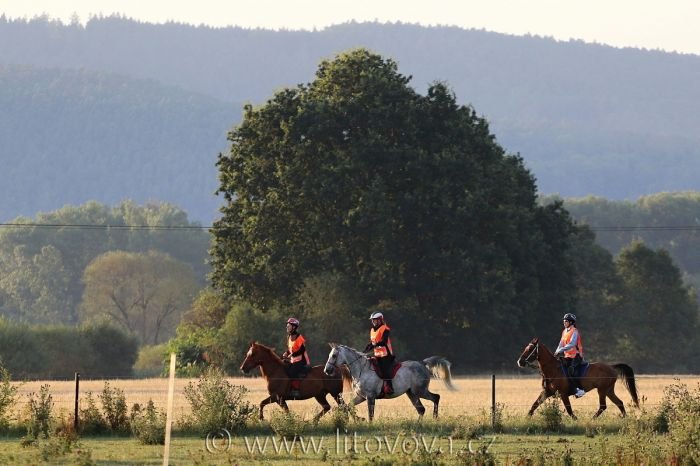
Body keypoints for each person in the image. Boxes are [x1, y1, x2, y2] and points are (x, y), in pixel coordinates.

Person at [553, 313, 586, 398]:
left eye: (566, 321)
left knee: (571, 370)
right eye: (564, 321)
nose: (564, 322)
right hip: (568, 356)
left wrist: (560, 350)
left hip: (577, 355)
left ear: (571, 322)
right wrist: (557, 351)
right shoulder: (564, 331)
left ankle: (580, 389)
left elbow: (572, 343)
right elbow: (561, 343)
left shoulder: (575, 331)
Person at [364, 311, 395, 394]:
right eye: (372, 320)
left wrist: (374, 345)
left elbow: (384, 342)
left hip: (386, 354)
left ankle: (389, 387)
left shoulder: (385, 328)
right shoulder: (372, 330)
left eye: (374, 320)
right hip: (377, 354)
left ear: (379, 320)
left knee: (384, 370)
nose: (372, 322)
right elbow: (373, 342)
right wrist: (366, 349)